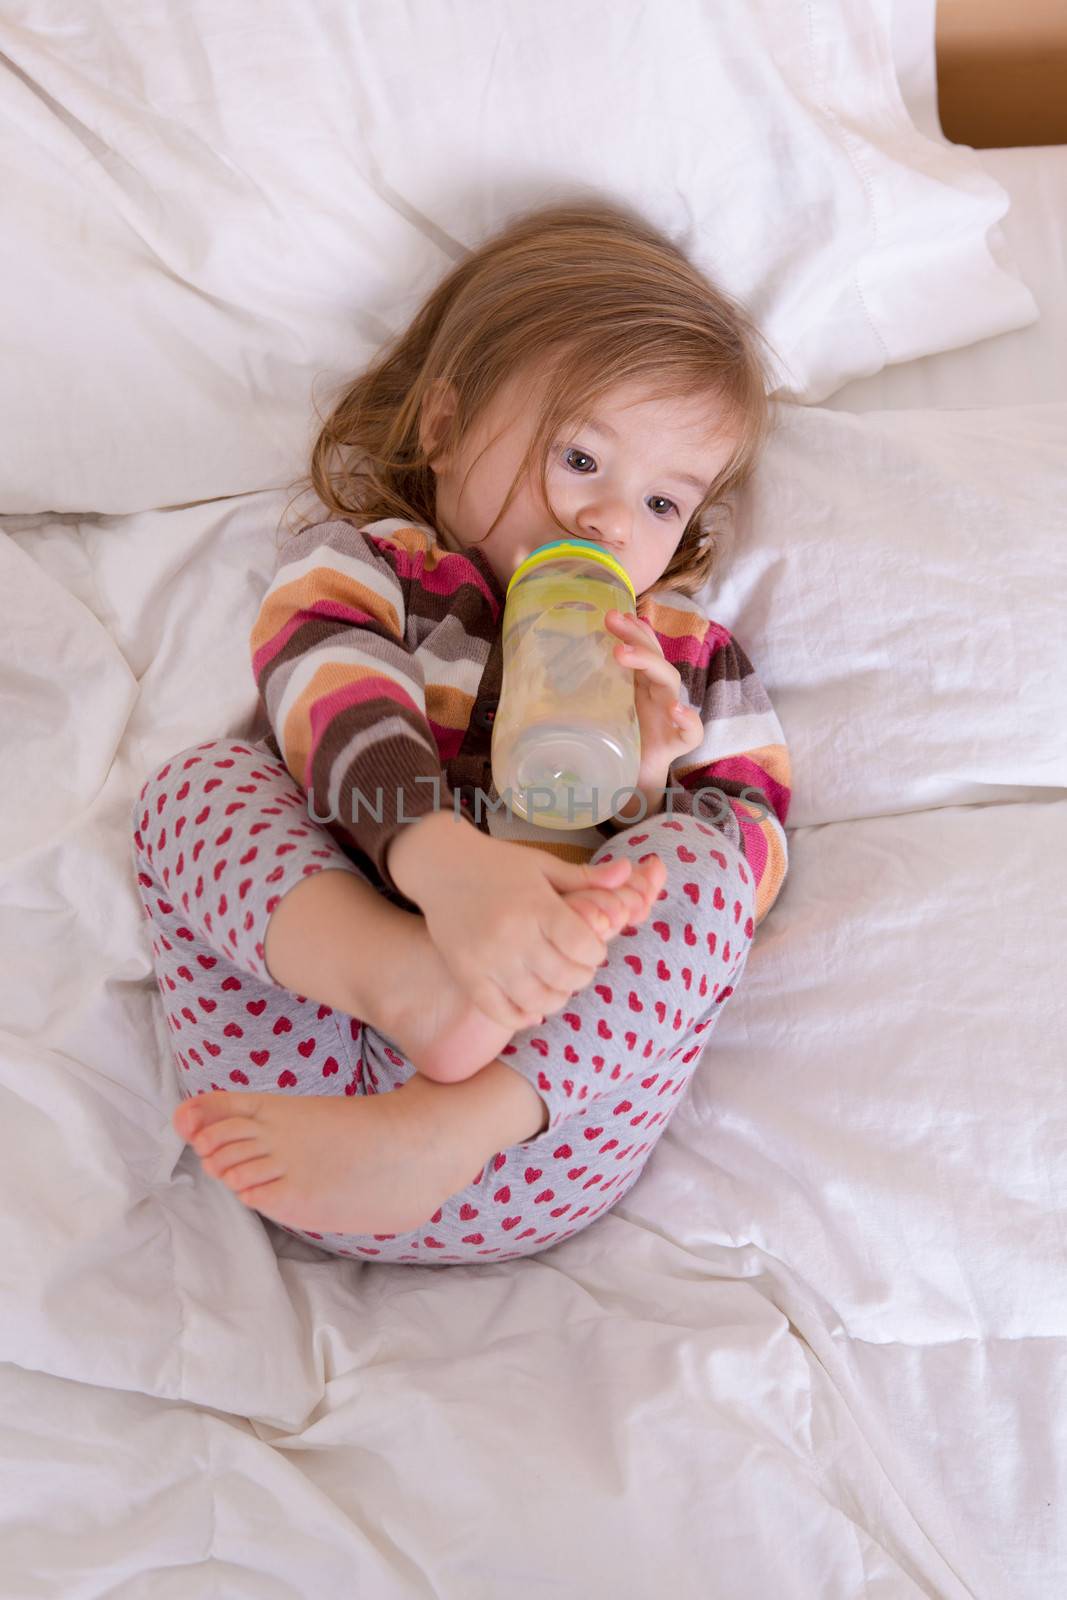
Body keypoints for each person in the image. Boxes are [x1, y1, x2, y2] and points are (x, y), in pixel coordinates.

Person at [130, 196, 792, 1265]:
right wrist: (438, 863)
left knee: (706, 868)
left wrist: (645, 785)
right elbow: (317, 681)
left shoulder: (676, 653)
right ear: (441, 428)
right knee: (194, 789)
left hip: (538, 1122)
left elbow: (751, 866)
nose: (610, 524)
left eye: (664, 504)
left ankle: (448, 1112)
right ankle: (407, 979)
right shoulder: (374, 568)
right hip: (301, 1072)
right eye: (579, 459)